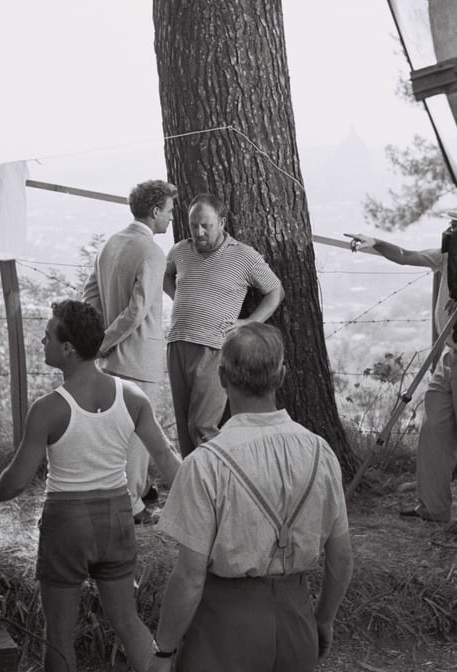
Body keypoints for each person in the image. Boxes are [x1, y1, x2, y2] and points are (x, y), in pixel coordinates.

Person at [0, 299, 181, 672]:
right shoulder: (131, 396)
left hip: (67, 523)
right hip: (117, 517)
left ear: (68, 348)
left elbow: (16, 481)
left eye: (48, 336)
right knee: (128, 622)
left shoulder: (48, 409)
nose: (42, 341)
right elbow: (167, 461)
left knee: (59, 635)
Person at [150, 322, 353, 672]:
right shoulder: (320, 452)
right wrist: (323, 619)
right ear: (283, 375)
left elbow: (190, 578)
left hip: (224, 627)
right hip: (297, 618)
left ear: (223, 377)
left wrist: (164, 651)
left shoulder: (206, 463)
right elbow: (341, 556)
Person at [348, 231, 457, 532]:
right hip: (450, 353)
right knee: (434, 430)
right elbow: (405, 255)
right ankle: (433, 507)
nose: (452, 234)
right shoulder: (447, 257)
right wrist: (375, 243)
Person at [83, 178, 178, 524]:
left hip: (109, 363)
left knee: (114, 435)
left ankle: (122, 495)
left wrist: (97, 343)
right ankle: (133, 505)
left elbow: (90, 296)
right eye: (168, 211)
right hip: (139, 359)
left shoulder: (111, 244)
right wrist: (105, 341)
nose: (170, 218)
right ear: (154, 212)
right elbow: (137, 311)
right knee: (139, 435)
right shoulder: (151, 252)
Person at [163, 193, 283, 455]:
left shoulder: (244, 256)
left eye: (206, 225)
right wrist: (181, 300)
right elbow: (166, 275)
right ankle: (193, 483)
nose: (198, 231)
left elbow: (275, 290)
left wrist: (250, 322)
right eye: (194, 225)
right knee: (184, 428)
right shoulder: (180, 249)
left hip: (214, 347)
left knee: (202, 425)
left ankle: (221, 481)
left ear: (222, 222)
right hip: (177, 342)